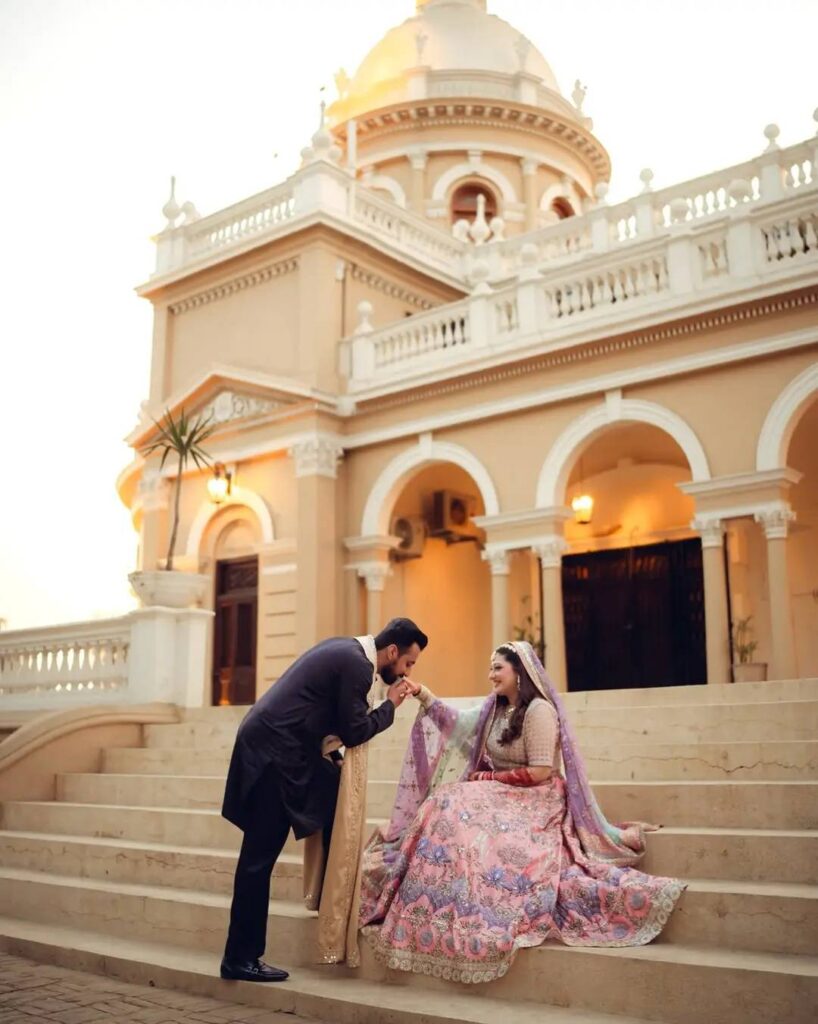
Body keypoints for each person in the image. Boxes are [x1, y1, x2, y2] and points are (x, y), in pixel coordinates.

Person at [359, 641, 685, 984]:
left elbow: (541, 772)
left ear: (520, 672)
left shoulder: (539, 711)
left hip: (537, 798)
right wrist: (423, 694)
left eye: (498, 668)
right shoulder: (495, 707)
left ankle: (479, 906)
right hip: (500, 794)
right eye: (490, 668)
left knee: (463, 815)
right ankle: (436, 900)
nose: (491, 675)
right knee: (444, 801)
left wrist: (490, 778)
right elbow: (458, 723)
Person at [220, 618, 428, 983]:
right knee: (257, 859)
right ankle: (240, 957)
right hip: (272, 755)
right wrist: (390, 706)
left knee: (331, 791)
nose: (406, 672)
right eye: (408, 663)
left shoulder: (347, 650)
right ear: (392, 652)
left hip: (276, 748)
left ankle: (334, 898)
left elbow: (325, 716)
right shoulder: (357, 665)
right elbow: (355, 730)